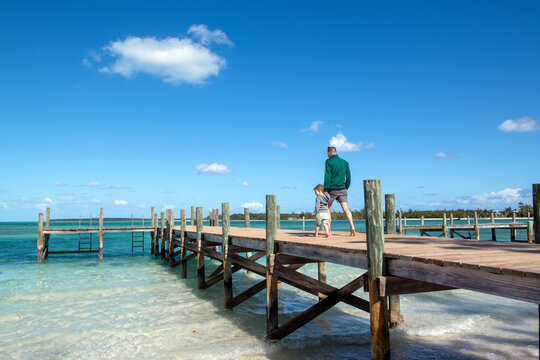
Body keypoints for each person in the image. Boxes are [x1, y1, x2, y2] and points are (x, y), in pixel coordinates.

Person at [324, 146, 356, 236]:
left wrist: (325, 189)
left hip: (331, 189)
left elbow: (327, 176)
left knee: (327, 209)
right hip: (343, 188)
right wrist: (346, 186)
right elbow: (349, 176)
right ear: (336, 152)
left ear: (329, 153)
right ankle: (352, 226)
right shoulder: (345, 162)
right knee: (346, 208)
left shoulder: (328, 161)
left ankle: (329, 231)